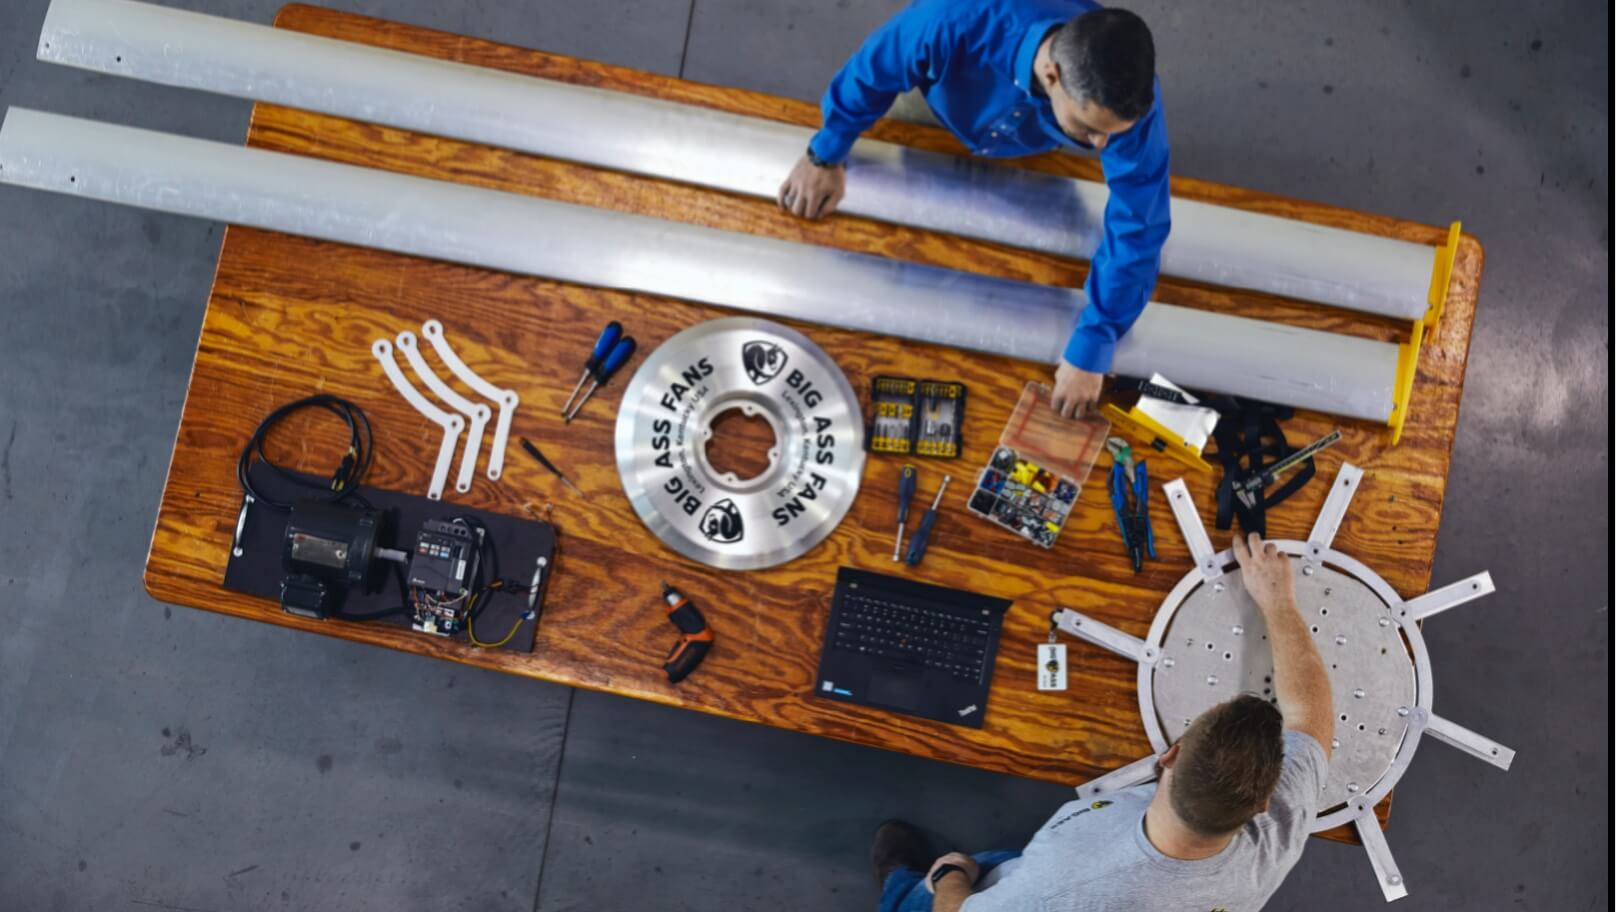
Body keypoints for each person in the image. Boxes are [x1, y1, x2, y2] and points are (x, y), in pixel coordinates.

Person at [870, 532, 1334, 911]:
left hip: (1013, 893)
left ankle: (897, 884)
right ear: (1264, 804)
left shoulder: (1062, 885)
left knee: (925, 889)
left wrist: (952, 876)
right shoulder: (1274, 840)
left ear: (1167, 757)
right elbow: (1312, 717)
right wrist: (1279, 602)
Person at [777, 1, 1171, 419]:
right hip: (939, 104)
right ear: (1052, 74)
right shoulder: (951, 21)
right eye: (1088, 128)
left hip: (1027, 135)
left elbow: (1139, 223)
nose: (1099, 146)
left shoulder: (1125, 105)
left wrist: (1095, 341)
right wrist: (826, 153)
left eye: (1109, 133)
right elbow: (874, 70)